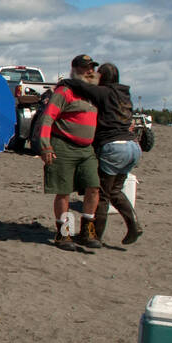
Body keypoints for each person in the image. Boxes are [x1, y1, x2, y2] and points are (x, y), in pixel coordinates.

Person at [64, 63, 142, 245]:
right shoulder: (125, 95)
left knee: (101, 195)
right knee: (115, 191)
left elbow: (83, 87)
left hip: (114, 147)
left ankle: (93, 235)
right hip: (132, 146)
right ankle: (134, 225)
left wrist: (67, 81)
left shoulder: (106, 93)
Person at [35, 55, 103, 250]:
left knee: (93, 187)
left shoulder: (92, 94)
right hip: (63, 146)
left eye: (91, 68)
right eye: (85, 68)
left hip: (87, 149)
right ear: (74, 69)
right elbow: (47, 119)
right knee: (63, 191)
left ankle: (86, 231)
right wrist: (45, 146)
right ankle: (63, 233)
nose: (89, 71)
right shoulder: (65, 91)